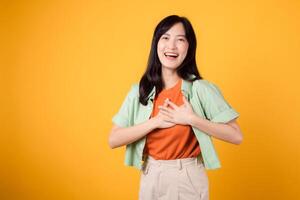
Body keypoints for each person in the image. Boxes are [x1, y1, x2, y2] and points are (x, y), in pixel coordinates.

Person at [109, 15, 243, 200]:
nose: (171, 46)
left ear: (189, 47)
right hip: (150, 174)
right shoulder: (140, 90)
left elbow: (236, 135)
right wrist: (155, 122)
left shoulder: (200, 89)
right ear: (156, 43)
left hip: (186, 176)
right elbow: (113, 139)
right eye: (165, 38)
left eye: (180, 39)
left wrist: (192, 119)